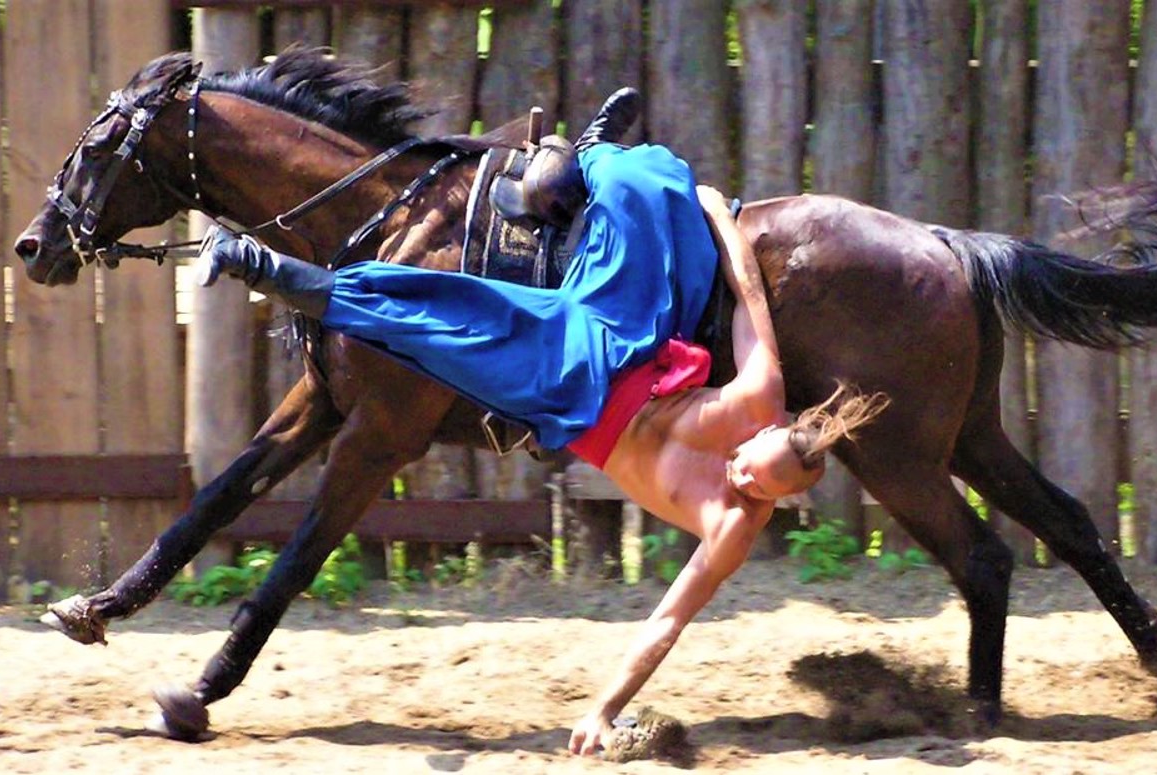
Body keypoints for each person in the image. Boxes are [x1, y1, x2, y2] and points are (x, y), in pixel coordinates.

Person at [195, 107, 887, 756]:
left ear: (777, 501)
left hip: (572, 397)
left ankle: (266, 268)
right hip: (622, 338)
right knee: (648, 182)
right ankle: (580, 160)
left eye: (754, 483)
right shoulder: (759, 394)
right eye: (748, 458)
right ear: (771, 431)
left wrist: (603, 709)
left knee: (446, 324)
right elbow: (748, 293)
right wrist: (716, 213)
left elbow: (665, 624)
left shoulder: (732, 528)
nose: (739, 470)